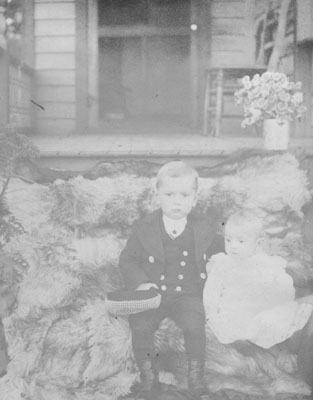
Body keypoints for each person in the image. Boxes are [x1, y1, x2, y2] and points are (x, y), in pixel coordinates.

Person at [119, 161, 224, 399]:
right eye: (169, 194)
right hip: (154, 293)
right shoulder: (144, 228)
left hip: (188, 293)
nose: (177, 201)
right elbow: (127, 260)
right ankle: (148, 379)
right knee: (140, 325)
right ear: (158, 197)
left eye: (184, 195)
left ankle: (196, 379)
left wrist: (219, 264)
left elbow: (220, 254)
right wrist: (141, 282)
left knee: (194, 325)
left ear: (195, 199)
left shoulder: (205, 227)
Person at [203, 211, 313, 386]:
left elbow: (282, 286)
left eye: (241, 241)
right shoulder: (223, 265)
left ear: (258, 243)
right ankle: (249, 343)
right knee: (236, 328)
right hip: (234, 309)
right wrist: (211, 312)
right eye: (228, 240)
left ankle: (289, 345)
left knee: (273, 320)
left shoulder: (264, 263)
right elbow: (211, 292)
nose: (233, 246)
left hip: (260, 306)